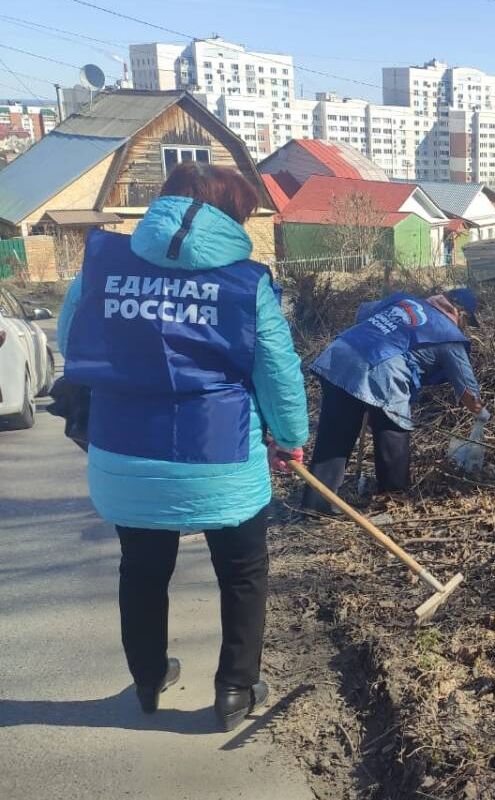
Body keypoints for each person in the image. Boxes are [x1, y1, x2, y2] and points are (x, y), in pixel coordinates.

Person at [58, 163, 308, 731]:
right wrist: (290, 439)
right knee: (242, 570)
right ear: (231, 215)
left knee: (142, 569)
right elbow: (277, 369)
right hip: (220, 454)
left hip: (124, 450)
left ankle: (148, 678)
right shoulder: (246, 283)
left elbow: (72, 339)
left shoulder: (103, 267)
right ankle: (236, 688)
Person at [300, 287, 488, 513]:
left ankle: (315, 506)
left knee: (334, 436)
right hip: (381, 371)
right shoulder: (448, 334)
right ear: (462, 313)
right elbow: (468, 391)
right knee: (393, 433)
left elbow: (362, 314)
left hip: (340, 355)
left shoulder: (404, 300)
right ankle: (392, 503)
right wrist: (481, 414)